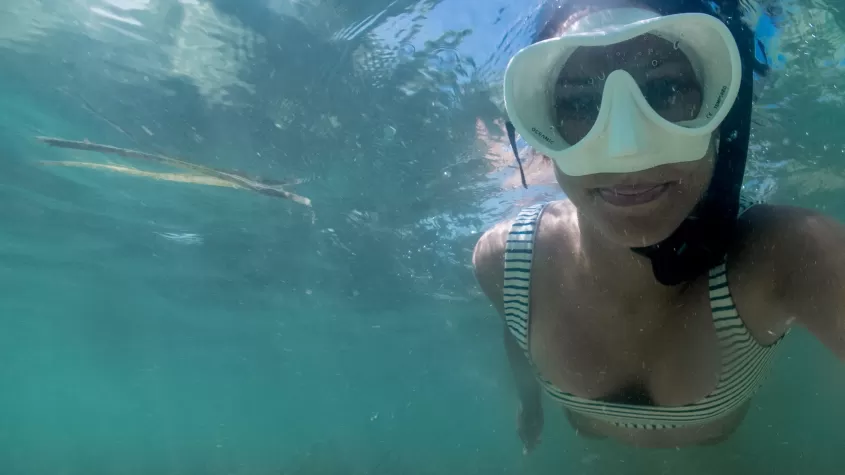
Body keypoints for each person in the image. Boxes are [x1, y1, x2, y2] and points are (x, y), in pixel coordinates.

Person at [472, 0, 845, 450]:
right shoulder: (503, 262)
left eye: (667, 88)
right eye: (579, 103)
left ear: (724, 110)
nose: (626, 151)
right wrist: (528, 402)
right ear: (542, 128)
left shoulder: (786, 254)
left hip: (712, 447)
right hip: (596, 441)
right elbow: (515, 336)